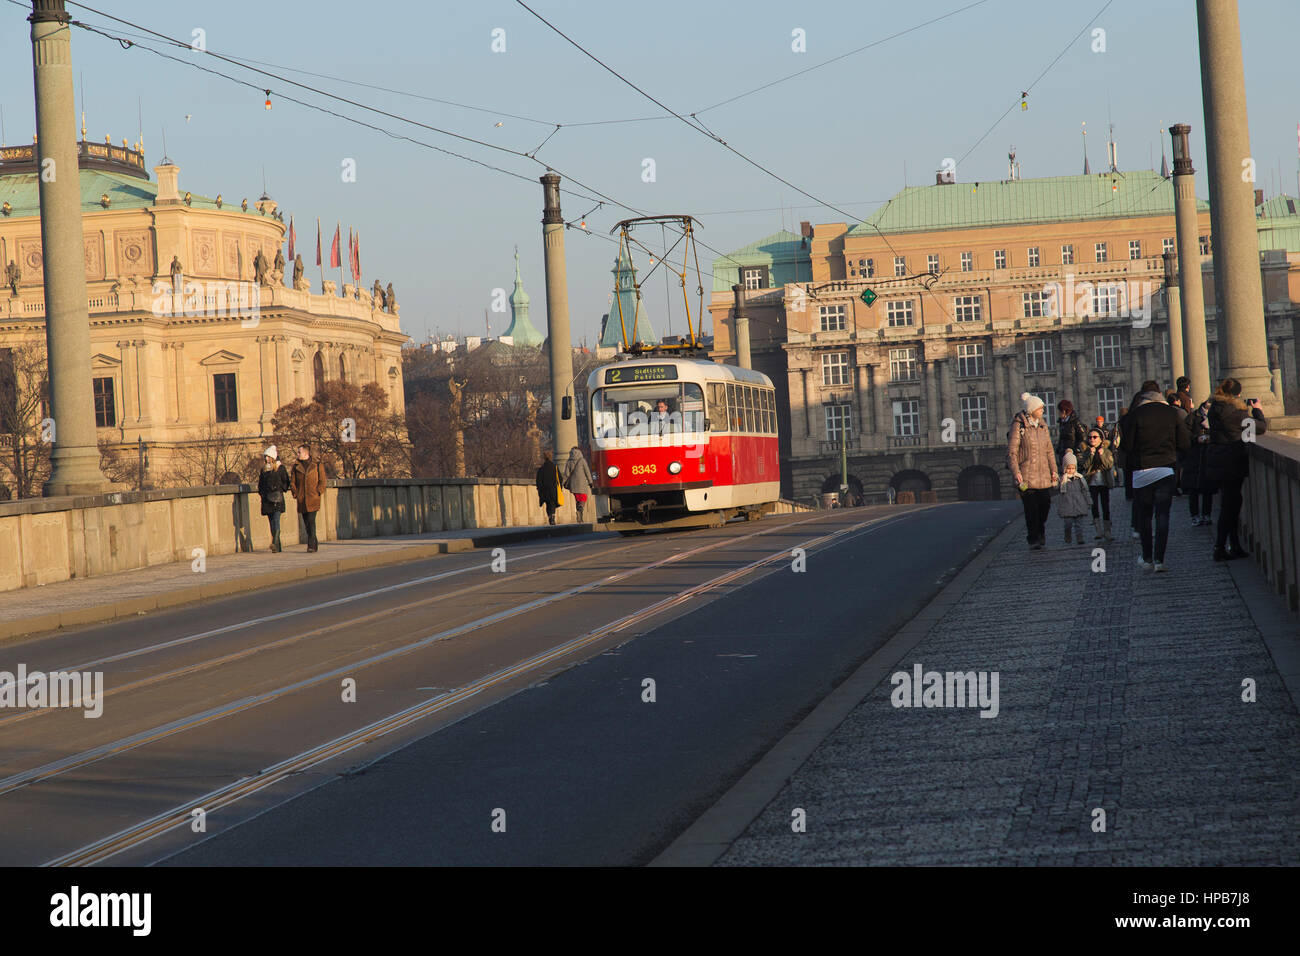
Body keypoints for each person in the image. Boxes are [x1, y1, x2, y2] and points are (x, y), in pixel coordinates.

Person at [1120, 380, 1190, 572]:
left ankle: (1147, 557)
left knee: (1144, 517)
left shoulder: (1135, 415)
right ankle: (1160, 559)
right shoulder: (1171, 413)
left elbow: (1128, 446)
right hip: (1165, 469)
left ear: (1142, 395)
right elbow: (1184, 442)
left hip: (1142, 472)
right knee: (1162, 516)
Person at [1204, 378, 1267, 561]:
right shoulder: (1235, 412)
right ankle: (1220, 546)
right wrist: (1257, 411)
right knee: (1231, 506)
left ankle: (1233, 545)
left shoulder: (1216, 408)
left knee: (1230, 503)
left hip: (1218, 459)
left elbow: (1245, 434)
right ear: (1237, 394)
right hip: (1232, 461)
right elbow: (1260, 428)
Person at [1007, 392, 1059, 550]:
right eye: (1040, 407)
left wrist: (1054, 470)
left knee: (1045, 505)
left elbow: (1049, 450)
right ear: (1032, 409)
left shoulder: (1043, 426)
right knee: (1031, 509)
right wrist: (1016, 472)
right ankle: (1033, 537)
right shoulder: (1019, 425)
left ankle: (1040, 529)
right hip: (1026, 476)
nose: (1043, 410)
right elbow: (1012, 452)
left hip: (1043, 474)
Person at [1182, 398, 1216, 526]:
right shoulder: (1192, 417)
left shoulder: (1215, 417)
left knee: (1208, 489)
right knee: (1193, 489)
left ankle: (1206, 514)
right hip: (1194, 457)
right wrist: (1197, 438)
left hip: (1209, 456)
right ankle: (1195, 515)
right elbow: (1185, 434)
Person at [289, 443, 328, 552]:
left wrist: (319, 491)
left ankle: (311, 545)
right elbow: (292, 481)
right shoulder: (296, 466)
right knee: (306, 523)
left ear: (306, 453)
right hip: (302, 498)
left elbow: (322, 480)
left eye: (299, 452)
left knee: (311, 521)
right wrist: (295, 493)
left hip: (313, 497)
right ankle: (314, 542)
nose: (297, 454)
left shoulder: (317, 465)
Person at [1078, 426, 1114, 540]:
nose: (1092, 439)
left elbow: (1109, 465)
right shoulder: (1086, 451)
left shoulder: (1107, 451)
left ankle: (1107, 531)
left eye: (1094, 437)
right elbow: (1084, 466)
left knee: (1105, 506)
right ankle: (1098, 531)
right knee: (1094, 506)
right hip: (1092, 483)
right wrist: (1091, 455)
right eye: (1090, 437)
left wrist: (1102, 454)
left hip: (1103, 482)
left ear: (1100, 439)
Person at [257, 445, 290, 552]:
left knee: (276, 520)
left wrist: (280, 489)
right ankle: (277, 546)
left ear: (272, 457)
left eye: (268, 456)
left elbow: (286, 482)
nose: (266, 459)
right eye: (265, 457)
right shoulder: (264, 470)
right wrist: (262, 494)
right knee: (271, 522)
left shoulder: (280, 468)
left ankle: (275, 542)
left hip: (277, 499)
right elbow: (260, 484)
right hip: (267, 500)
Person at [1057, 451, 1091, 546]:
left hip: (1079, 503)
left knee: (1079, 524)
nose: (1071, 470)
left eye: (1073, 468)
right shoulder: (1062, 479)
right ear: (1065, 468)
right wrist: (1055, 481)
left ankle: (1080, 537)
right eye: (1068, 468)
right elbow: (1057, 488)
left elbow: (1085, 490)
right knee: (1068, 523)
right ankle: (1067, 534)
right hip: (1067, 504)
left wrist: (1088, 501)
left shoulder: (1080, 478)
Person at [562, 445, 594, 523]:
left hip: (573, 485)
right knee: (583, 498)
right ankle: (580, 511)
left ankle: (580, 517)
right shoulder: (582, 460)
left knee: (578, 499)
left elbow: (566, 474)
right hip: (582, 483)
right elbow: (587, 472)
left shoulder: (569, 461)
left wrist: (562, 483)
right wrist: (590, 482)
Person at [1055, 399, 1086, 464]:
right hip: (1063, 453)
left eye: (1059, 411)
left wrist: (1073, 448)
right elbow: (1062, 438)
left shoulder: (1075, 422)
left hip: (1074, 454)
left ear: (1063, 411)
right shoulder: (1062, 422)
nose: (1058, 413)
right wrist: (1058, 449)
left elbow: (1083, 437)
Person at [535, 450, 562, 525]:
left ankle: (550, 516)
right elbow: (560, 478)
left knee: (548, 504)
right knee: (552, 503)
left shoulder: (541, 469)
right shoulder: (555, 468)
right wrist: (560, 487)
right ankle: (552, 516)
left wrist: (539, 489)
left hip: (545, 490)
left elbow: (538, 480)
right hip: (553, 489)